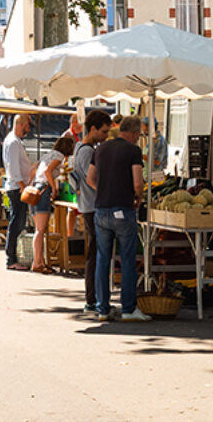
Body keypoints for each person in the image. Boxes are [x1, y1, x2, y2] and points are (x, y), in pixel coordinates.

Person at [88, 116, 150, 322]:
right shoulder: (133, 151)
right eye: (139, 135)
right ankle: (129, 309)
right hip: (123, 210)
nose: (138, 138)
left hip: (101, 210)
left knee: (103, 259)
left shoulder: (101, 149)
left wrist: (104, 190)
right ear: (133, 133)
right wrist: (138, 197)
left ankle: (103, 309)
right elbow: (138, 181)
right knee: (127, 260)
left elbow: (90, 178)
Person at [70, 110, 111, 313]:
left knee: (96, 252)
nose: (106, 136)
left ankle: (94, 298)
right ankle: (92, 299)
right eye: (104, 131)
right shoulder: (86, 151)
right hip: (92, 206)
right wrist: (109, 192)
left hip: (88, 205)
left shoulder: (80, 147)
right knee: (96, 253)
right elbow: (91, 180)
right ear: (93, 128)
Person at [28, 136, 75, 274]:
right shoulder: (59, 156)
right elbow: (48, 171)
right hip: (43, 189)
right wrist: (54, 188)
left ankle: (40, 261)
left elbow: (34, 168)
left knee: (38, 229)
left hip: (36, 188)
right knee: (40, 230)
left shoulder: (48, 154)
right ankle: (37, 262)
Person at [2, 114, 37, 271]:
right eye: (27, 127)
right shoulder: (14, 142)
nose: (28, 130)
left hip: (18, 186)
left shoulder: (14, 141)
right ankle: (11, 259)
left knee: (18, 221)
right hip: (17, 188)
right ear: (21, 124)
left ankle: (14, 257)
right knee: (17, 222)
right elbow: (14, 168)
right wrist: (23, 186)